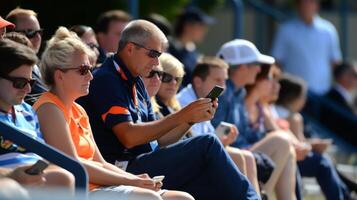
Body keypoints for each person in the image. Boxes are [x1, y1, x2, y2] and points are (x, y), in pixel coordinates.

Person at [78, 20, 259, 200]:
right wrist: (181, 115)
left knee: (209, 181)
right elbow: (129, 137)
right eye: (153, 54)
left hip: (141, 163)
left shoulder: (137, 82)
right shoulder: (107, 79)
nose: (157, 62)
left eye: (159, 55)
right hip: (118, 170)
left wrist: (190, 119)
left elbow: (159, 141)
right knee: (208, 144)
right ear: (130, 48)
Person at [33, 26, 193, 200]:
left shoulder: (78, 109)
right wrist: (130, 181)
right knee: (149, 197)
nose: (90, 76)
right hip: (82, 190)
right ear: (59, 75)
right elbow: (73, 164)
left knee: (182, 198)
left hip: (99, 185)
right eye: (83, 70)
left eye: (90, 69)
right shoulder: (49, 108)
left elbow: (100, 162)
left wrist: (135, 179)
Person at [214, 39, 297, 200]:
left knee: (286, 147)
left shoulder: (239, 93)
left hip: (241, 153)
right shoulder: (222, 93)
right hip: (227, 155)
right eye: (256, 64)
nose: (259, 69)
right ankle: (261, 196)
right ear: (243, 67)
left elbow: (243, 134)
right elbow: (217, 134)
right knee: (281, 141)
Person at [177, 56, 260, 193]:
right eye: (217, 80)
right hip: (188, 160)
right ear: (198, 82)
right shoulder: (185, 102)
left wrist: (223, 141)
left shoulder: (204, 99)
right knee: (242, 156)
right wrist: (219, 142)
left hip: (203, 154)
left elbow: (209, 137)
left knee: (247, 157)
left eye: (224, 81)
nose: (223, 86)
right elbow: (194, 141)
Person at [0, 38, 74, 192]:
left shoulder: (27, 111)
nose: (27, 90)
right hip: (6, 183)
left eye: (30, 82)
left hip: (34, 178)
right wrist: (11, 175)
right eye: (20, 83)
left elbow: (43, 157)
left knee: (64, 177)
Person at [271, 0, 342, 95]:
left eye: (311, 2)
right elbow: (277, 62)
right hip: (293, 94)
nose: (307, 6)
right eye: (304, 3)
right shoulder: (286, 30)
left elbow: (335, 62)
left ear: (317, 5)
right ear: (297, 5)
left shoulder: (328, 30)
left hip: (322, 93)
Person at [6, 8, 47, 105]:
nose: (38, 37)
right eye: (30, 32)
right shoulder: (10, 71)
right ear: (12, 34)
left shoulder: (42, 67)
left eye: (39, 32)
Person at [168, 7, 214, 88]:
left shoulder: (194, 53)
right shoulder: (169, 50)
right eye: (201, 26)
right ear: (187, 26)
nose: (204, 31)